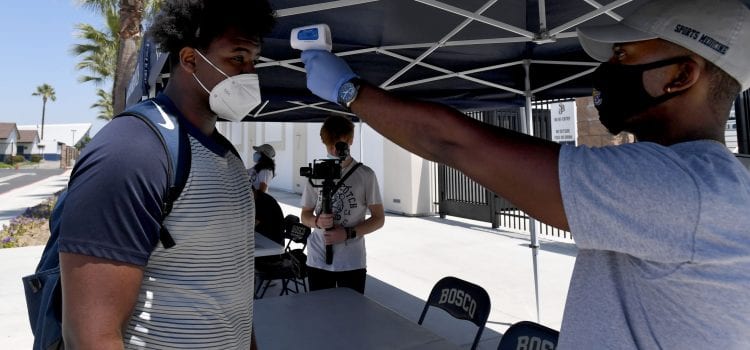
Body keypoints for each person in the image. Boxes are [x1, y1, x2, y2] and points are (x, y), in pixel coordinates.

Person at [300, 0, 750, 347]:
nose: (607, 69)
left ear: (681, 75)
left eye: (622, 55)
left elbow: (454, 144)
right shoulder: (699, 182)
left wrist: (350, 91)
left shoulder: (683, 187)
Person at [57, 1, 275, 348]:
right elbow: (90, 337)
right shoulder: (132, 151)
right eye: (237, 58)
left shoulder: (229, 158)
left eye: (253, 61)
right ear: (189, 59)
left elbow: (230, 291)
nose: (250, 74)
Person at [300, 115, 385, 294]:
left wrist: (347, 233)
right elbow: (305, 215)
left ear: (350, 140)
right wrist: (317, 222)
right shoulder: (316, 173)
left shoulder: (365, 175)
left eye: (338, 145)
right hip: (318, 258)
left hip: (351, 261)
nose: (333, 150)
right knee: (319, 314)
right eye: (329, 145)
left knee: (350, 317)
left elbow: (378, 219)